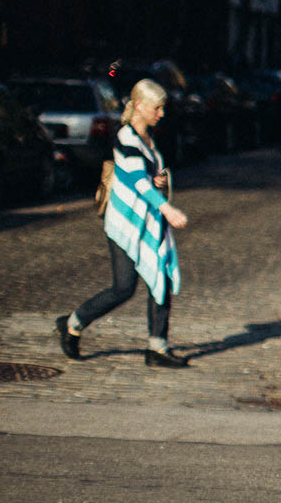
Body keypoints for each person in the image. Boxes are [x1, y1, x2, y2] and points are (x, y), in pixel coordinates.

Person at [55, 78, 192, 368]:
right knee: (123, 288)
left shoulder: (147, 138)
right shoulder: (126, 138)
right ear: (139, 106)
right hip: (125, 223)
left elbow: (146, 178)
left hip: (148, 220)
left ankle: (157, 348)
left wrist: (159, 181)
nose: (161, 114)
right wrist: (167, 208)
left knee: (161, 277)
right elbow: (138, 182)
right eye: (157, 108)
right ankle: (72, 323)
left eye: (163, 108)